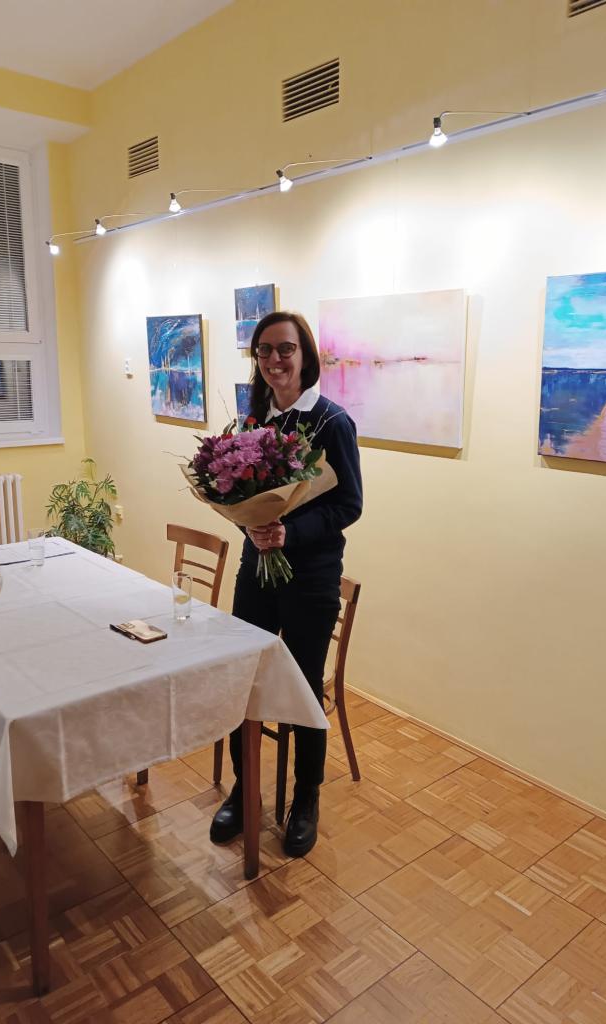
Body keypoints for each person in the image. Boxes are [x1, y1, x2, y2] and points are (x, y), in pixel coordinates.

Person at [210, 311, 363, 857]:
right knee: (243, 679)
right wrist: (250, 526)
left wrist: (288, 533)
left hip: (311, 578)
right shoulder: (253, 419)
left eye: (285, 349)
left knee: (303, 688)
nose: (275, 360)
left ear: (305, 355)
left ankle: (305, 798)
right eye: (265, 350)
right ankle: (244, 790)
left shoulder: (332, 422)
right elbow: (237, 494)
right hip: (257, 572)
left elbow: (349, 505)